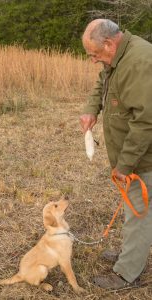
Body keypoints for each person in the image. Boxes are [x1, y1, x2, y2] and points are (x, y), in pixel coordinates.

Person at [80, 19, 152, 290]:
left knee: (139, 212)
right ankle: (131, 253)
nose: (93, 61)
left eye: (95, 55)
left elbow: (146, 121)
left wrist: (125, 164)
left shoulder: (139, 62)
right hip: (136, 153)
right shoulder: (116, 59)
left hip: (145, 155)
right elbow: (102, 82)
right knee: (137, 210)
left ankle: (126, 273)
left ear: (109, 44)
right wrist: (91, 109)